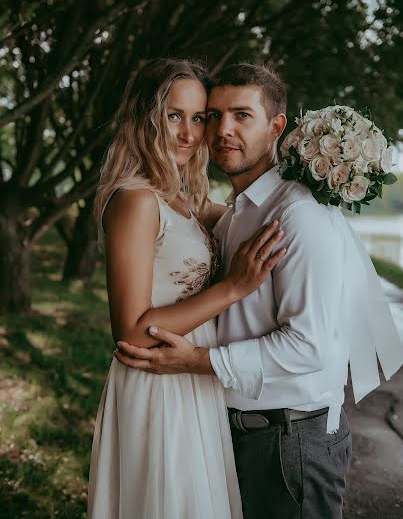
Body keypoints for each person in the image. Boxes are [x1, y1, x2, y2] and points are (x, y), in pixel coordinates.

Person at [114, 63, 403, 519]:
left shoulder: (297, 217)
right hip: (232, 432)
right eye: (213, 115)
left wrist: (198, 361)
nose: (221, 130)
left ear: (276, 127)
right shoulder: (237, 213)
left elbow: (311, 346)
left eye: (242, 115)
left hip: (291, 444)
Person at [87, 58, 286, 519]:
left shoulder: (186, 199)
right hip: (157, 383)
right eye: (173, 115)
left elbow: (249, 211)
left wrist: (313, 179)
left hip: (192, 381)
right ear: (146, 117)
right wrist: (232, 288)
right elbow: (132, 335)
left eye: (199, 118)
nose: (189, 133)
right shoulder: (135, 199)